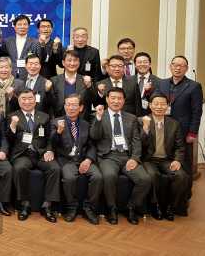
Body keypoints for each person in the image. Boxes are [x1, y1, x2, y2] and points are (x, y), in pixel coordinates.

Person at [90, 88, 151, 225]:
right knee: (109, 176)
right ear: (107, 99)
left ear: (124, 101)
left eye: (119, 98)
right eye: (113, 98)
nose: (116, 101)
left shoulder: (131, 117)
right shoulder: (98, 115)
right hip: (108, 156)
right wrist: (98, 117)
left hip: (127, 156)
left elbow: (136, 140)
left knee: (145, 179)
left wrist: (134, 158)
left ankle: (131, 207)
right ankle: (112, 208)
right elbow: (95, 136)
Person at [153, 55, 203, 202]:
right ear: (170, 66)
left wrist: (193, 132)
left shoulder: (194, 86)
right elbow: (155, 101)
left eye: (181, 65)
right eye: (175, 64)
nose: (178, 67)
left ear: (186, 69)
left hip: (184, 130)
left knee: (185, 163)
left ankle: (185, 196)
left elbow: (196, 111)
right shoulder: (161, 83)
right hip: (162, 128)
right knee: (168, 161)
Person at [7, 88, 60, 223]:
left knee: (55, 168)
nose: (27, 101)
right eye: (23, 99)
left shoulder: (44, 116)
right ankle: (24, 204)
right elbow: (8, 139)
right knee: (19, 168)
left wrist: (49, 150)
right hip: (22, 154)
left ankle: (47, 206)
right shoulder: (12, 116)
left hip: (42, 153)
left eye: (30, 98)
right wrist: (12, 126)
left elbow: (50, 138)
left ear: (35, 100)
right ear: (18, 101)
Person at [49, 94, 102, 224]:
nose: (70, 108)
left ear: (81, 107)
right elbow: (52, 144)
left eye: (74, 105)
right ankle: (71, 206)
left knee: (98, 177)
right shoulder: (56, 122)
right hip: (66, 159)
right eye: (68, 105)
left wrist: (89, 159)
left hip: (83, 158)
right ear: (64, 106)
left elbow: (92, 146)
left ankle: (89, 207)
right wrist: (59, 132)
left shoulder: (86, 124)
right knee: (69, 178)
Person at [138, 93, 188, 221]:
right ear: (150, 105)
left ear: (167, 106)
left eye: (162, 104)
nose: (159, 107)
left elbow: (179, 147)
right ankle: (156, 206)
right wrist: (146, 127)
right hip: (149, 159)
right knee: (153, 175)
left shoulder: (174, 123)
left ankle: (170, 206)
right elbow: (140, 144)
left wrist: (177, 160)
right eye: (156, 104)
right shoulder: (141, 120)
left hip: (167, 159)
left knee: (181, 176)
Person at [50, 50, 93, 122]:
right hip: (59, 121)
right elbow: (50, 103)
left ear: (79, 63)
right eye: (69, 60)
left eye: (75, 60)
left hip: (82, 122)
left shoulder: (86, 80)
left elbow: (92, 100)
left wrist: (89, 86)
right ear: (63, 63)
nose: (72, 63)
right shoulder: (54, 80)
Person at [2, 15, 40, 81]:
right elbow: (4, 59)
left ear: (28, 26)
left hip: (28, 76)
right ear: (14, 26)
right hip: (10, 76)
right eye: (19, 24)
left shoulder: (35, 42)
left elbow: (39, 58)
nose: (22, 27)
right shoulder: (7, 41)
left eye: (25, 24)